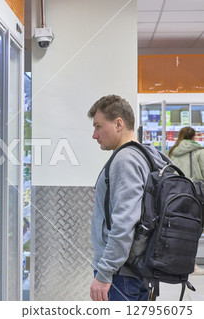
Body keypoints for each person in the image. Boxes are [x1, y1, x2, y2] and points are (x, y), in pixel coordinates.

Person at [87, 95, 167, 301]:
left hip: (121, 276)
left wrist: (104, 274)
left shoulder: (125, 160)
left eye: (98, 126)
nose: (94, 135)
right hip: (139, 270)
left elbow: (124, 223)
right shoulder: (149, 154)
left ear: (119, 123)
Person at [168, 126, 204, 275]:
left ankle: (175, 264)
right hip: (196, 195)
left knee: (178, 229)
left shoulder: (172, 152)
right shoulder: (200, 151)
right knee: (195, 229)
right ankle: (192, 265)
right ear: (194, 137)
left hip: (176, 194)